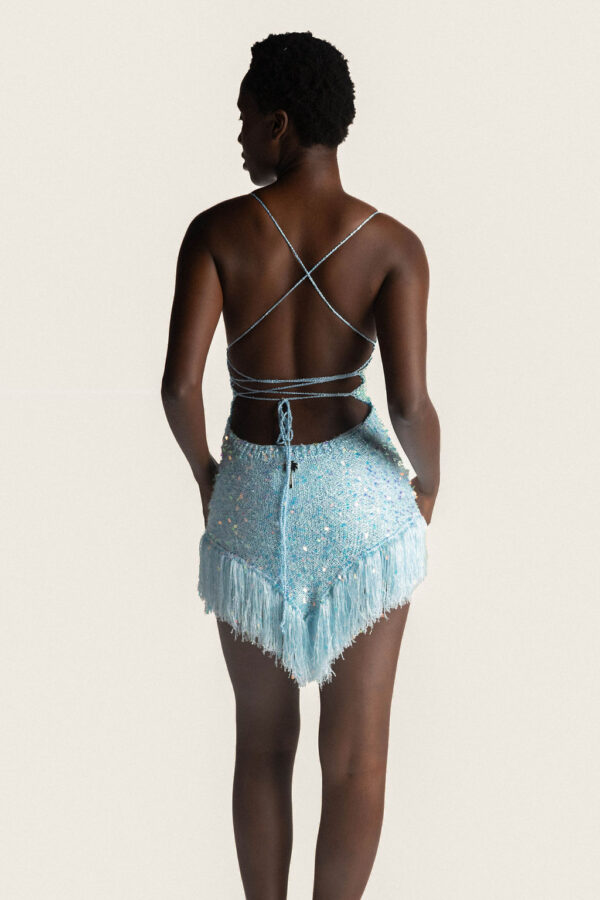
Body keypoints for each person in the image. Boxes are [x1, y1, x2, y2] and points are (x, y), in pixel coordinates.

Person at [161, 30, 440, 900]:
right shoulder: (394, 245)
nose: (240, 135)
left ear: (279, 123)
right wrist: (429, 482)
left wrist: (209, 477)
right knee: (354, 756)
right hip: (361, 501)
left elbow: (179, 387)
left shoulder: (216, 232)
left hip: (248, 490)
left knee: (261, 743)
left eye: (246, 118)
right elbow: (408, 407)